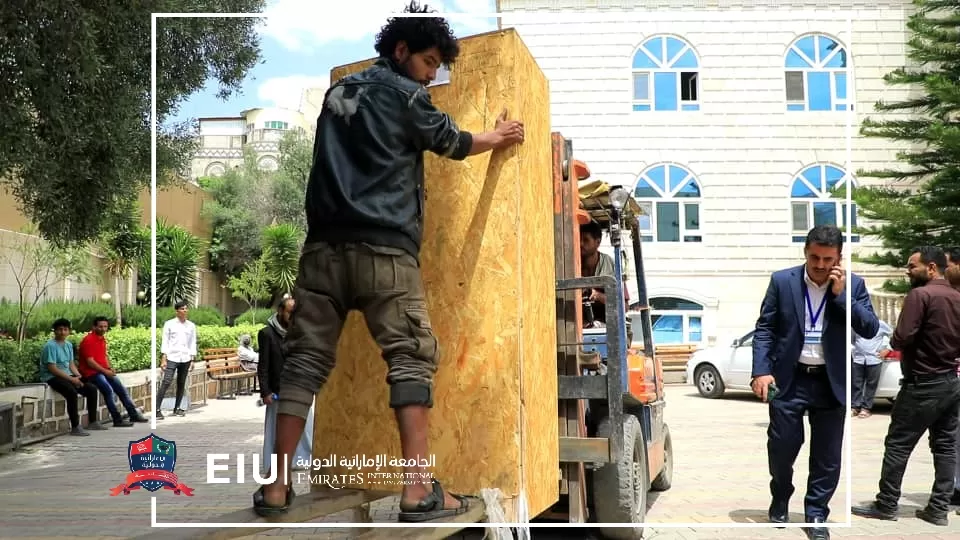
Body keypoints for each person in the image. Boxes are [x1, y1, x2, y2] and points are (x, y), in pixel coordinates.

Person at [251, 1, 524, 521]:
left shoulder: (337, 95)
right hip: (384, 253)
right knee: (411, 357)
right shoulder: (405, 96)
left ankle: (277, 489)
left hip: (321, 254)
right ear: (401, 51)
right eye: (427, 64)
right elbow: (454, 142)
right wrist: (502, 135)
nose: (430, 76)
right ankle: (418, 491)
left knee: (304, 363)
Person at [751, 225, 879, 540]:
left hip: (831, 381)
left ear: (839, 258)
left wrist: (840, 296)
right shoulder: (783, 281)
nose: (820, 265)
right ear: (805, 252)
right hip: (789, 380)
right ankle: (781, 494)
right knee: (781, 447)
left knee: (827, 456)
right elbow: (765, 328)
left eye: (827, 259)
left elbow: (869, 328)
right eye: (814, 257)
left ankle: (817, 513)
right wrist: (761, 370)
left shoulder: (853, 285)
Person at [853, 246, 960, 526]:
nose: (907, 270)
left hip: (922, 384)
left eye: (913, 266)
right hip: (950, 382)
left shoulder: (920, 295)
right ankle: (938, 509)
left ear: (932, 268)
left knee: (898, 445)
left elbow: (901, 337)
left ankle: (886, 504)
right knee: (946, 447)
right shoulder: (957, 297)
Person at [257, 297, 313, 474]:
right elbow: (263, 366)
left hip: (298, 387)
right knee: (277, 428)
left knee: (305, 426)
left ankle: (303, 458)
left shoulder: (298, 333)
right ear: (281, 311)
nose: (292, 316)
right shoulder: (267, 334)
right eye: (289, 312)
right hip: (277, 390)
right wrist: (265, 391)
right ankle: (275, 463)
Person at [78, 316, 149, 426]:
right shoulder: (88, 340)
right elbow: (90, 362)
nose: (103, 329)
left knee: (121, 390)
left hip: (103, 371)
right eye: (100, 326)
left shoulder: (102, 339)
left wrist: (109, 368)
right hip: (91, 373)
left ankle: (133, 415)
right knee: (108, 390)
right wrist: (106, 372)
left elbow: (103, 356)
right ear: (94, 327)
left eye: (105, 326)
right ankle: (117, 420)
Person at [39, 318, 104, 436]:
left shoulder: (68, 345)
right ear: (55, 331)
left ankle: (93, 422)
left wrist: (78, 376)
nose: (62, 332)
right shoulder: (50, 346)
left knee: (91, 388)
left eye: (65, 329)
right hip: (52, 376)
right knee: (71, 391)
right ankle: (75, 427)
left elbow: (71, 364)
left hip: (68, 375)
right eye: (59, 330)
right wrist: (72, 379)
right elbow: (52, 368)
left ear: (69, 331)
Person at [157, 300, 197, 419]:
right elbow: (165, 341)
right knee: (166, 381)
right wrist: (164, 358)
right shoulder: (169, 324)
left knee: (181, 383)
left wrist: (192, 359)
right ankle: (157, 409)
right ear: (177, 311)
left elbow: (192, 342)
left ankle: (177, 408)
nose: (185, 311)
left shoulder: (191, 325)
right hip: (172, 357)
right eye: (182, 309)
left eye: (186, 309)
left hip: (185, 357)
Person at [851, 320, 893, 418]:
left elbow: (893, 335)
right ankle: (855, 407)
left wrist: (887, 349)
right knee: (856, 384)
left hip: (874, 359)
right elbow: (852, 339)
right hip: (858, 359)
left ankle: (866, 408)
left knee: (871, 385)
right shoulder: (856, 324)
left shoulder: (880, 324)